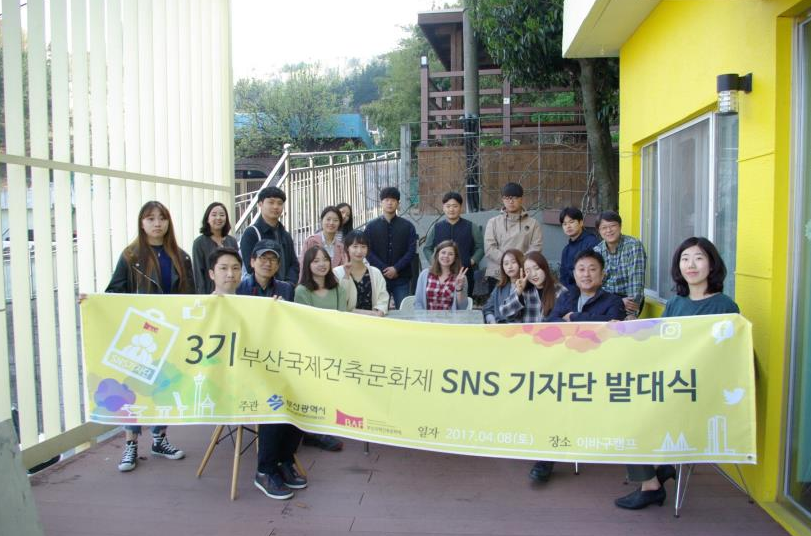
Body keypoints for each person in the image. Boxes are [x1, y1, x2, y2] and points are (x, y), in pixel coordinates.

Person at [614, 237, 739, 510]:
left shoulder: (725, 307)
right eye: (685, 259)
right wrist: (627, 330)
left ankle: (652, 484)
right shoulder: (674, 304)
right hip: (673, 385)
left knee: (637, 417)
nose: (691, 264)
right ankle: (656, 474)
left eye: (698, 258)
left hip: (702, 394)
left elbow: (729, 358)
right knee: (623, 403)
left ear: (712, 265)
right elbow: (661, 346)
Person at [105, 200, 193, 472]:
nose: (157, 223)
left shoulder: (181, 257)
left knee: (164, 385)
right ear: (141, 223)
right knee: (133, 388)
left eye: (162, 218)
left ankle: (159, 439)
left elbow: (192, 297)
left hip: (171, 333)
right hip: (140, 336)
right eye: (150, 218)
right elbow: (114, 292)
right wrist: (91, 302)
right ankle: (130, 444)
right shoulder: (130, 256)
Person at [232, 241, 303, 500]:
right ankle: (265, 470)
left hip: (277, 363)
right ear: (252, 262)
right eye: (262, 258)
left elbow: (294, 327)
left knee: (304, 396)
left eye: (273, 259)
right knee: (275, 401)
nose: (268, 263)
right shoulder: (238, 289)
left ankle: (284, 460)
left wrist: (283, 313)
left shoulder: (286, 289)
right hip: (245, 368)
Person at [295, 245, 348, 453]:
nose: (322, 264)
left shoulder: (338, 289)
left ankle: (323, 428)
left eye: (325, 259)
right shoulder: (302, 291)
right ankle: (313, 432)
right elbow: (306, 324)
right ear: (308, 265)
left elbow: (342, 320)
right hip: (312, 349)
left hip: (335, 347)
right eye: (316, 261)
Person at [483, 182, 543, 294]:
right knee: (497, 303)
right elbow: (489, 249)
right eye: (507, 198)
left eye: (514, 198)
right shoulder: (493, 222)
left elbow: (536, 247)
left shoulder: (533, 224)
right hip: (497, 274)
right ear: (503, 200)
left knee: (522, 303)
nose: (511, 201)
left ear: (521, 199)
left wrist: (518, 263)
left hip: (523, 274)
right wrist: (508, 263)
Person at [423, 191, 484, 298]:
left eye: (455, 206)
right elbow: (427, 248)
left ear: (460, 207)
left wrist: (472, 261)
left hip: (464, 272)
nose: (451, 209)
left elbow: (481, 247)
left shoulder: (471, 227)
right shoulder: (437, 227)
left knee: (463, 301)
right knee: (442, 301)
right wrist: (434, 262)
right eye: (448, 206)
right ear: (443, 208)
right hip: (441, 273)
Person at [364, 186, 417, 308]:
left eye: (393, 200)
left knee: (404, 310)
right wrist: (384, 269)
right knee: (379, 310)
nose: (390, 203)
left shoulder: (408, 226)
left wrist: (396, 268)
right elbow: (367, 251)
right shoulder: (371, 227)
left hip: (402, 277)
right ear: (381, 202)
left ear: (398, 203)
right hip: (379, 277)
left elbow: (411, 251)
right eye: (386, 200)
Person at [593, 211, 647, 320]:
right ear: (599, 231)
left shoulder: (633, 245)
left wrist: (631, 313)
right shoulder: (597, 251)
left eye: (613, 225)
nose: (609, 230)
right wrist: (616, 301)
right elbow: (595, 285)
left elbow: (636, 282)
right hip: (606, 299)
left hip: (628, 299)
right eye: (604, 228)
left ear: (620, 226)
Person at [547, 250, 626, 323]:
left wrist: (574, 317)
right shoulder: (565, 297)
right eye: (581, 269)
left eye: (592, 269)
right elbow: (551, 321)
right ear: (574, 274)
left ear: (602, 274)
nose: (586, 274)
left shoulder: (614, 301)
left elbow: (614, 324)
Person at [239, 186, 299, 284]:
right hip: (261, 290)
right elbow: (250, 267)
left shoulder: (286, 235)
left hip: (285, 289)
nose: (276, 207)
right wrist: (273, 285)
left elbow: (294, 264)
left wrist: (289, 285)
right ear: (260, 204)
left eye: (280, 203)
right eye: (271, 202)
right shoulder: (251, 233)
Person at [333, 231, 390, 316]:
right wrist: (346, 276)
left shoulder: (375, 272)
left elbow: (383, 298)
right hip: (347, 320)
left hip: (372, 319)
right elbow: (340, 301)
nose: (359, 251)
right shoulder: (337, 272)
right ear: (347, 248)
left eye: (363, 247)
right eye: (355, 246)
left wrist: (379, 311)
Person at [500, 251, 564, 324]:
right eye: (528, 271)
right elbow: (504, 312)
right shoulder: (524, 291)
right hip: (527, 331)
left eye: (536, 268)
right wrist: (518, 292)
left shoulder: (560, 291)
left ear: (545, 268)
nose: (533, 274)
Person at [191, 202, 239, 294]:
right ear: (207, 219)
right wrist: (203, 296)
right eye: (214, 215)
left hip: (230, 292)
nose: (218, 218)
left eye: (222, 215)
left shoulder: (232, 241)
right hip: (209, 293)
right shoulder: (199, 243)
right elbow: (198, 273)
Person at [414, 240, 469, 310]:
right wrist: (423, 316)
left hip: (450, 317)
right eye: (443, 252)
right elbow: (418, 303)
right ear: (437, 255)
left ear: (455, 258)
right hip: (427, 317)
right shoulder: (424, 275)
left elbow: (463, 307)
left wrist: (459, 289)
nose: (446, 256)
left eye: (450, 254)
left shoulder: (461, 278)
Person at [558, 206, 600, 292]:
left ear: (581, 223)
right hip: (569, 292)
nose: (568, 226)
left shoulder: (591, 242)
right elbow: (563, 276)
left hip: (588, 290)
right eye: (564, 224)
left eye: (571, 222)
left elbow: (593, 272)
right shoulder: (566, 250)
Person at [300, 206, 347, 274]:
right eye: (328, 219)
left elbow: (343, 271)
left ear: (339, 223)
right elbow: (303, 267)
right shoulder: (311, 241)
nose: (331, 223)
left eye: (335, 220)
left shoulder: (341, 247)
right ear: (322, 220)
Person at [482, 249, 525, 324]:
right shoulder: (499, 287)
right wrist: (492, 321)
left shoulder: (528, 286)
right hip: (500, 328)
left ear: (520, 263)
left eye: (513, 262)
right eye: (506, 264)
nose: (510, 266)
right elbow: (487, 309)